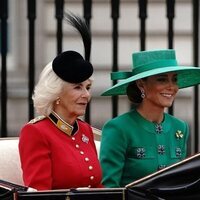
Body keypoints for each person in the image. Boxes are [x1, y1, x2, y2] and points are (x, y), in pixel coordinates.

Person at [18, 13, 103, 190]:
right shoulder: (35, 132)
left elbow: (96, 186)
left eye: (87, 87)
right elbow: (39, 193)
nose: (86, 95)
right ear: (56, 93)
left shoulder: (84, 129)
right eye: (77, 87)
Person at [99, 49, 200, 188]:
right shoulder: (118, 128)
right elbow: (109, 189)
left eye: (174, 79)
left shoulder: (180, 127)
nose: (172, 87)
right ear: (141, 84)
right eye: (162, 79)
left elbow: (179, 183)